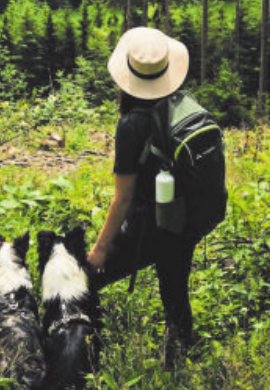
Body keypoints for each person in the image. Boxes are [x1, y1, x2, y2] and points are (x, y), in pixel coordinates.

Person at [87, 26, 200, 368]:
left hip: (147, 226)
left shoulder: (131, 125)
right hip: (184, 219)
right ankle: (182, 361)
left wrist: (100, 250)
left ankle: (86, 352)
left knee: (85, 278)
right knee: (175, 292)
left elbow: (123, 199)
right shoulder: (181, 104)